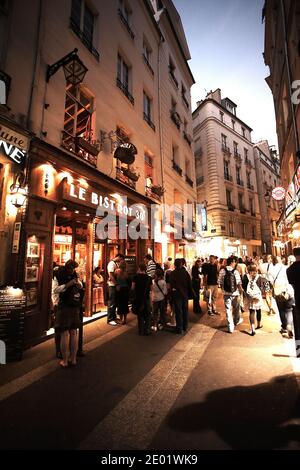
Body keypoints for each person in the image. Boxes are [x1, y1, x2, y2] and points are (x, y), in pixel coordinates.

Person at [52, 260, 83, 367]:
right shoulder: (59, 274)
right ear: (67, 268)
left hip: (67, 305)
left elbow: (55, 290)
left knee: (67, 333)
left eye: (73, 269)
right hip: (70, 305)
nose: (72, 271)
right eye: (71, 268)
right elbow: (56, 290)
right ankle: (72, 359)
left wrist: (74, 284)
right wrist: (68, 285)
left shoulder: (64, 274)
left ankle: (66, 360)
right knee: (72, 332)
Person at [242, 264, 270, 336]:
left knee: (251, 312)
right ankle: (259, 324)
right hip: (257, 296)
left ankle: (252, 329)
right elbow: (266, 287)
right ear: (256, 270)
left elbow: (243, 287)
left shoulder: (245, 277)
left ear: (248, 270)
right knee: (258, 310)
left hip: (249, 297)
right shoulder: (260, 277)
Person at [218, 256, 243, 333]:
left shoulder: (222, 271)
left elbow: (219, 282)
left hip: (226, 293)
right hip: (235, 293)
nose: (235, 263)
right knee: (236, 309)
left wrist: (223, 289)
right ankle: (236, 321)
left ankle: (230, 327)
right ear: (232, 262)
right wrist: (241, 290)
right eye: (235, 262)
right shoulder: (235, 271)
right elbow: (238, 283)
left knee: (228, 310)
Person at [169, 258, 193, 334]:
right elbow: (190, 283)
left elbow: (171, 285)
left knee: (178, 311)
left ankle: (179, 328)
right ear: (181, 264)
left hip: (177, 295)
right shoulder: (185, 273)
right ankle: (185, 326)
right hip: (185, 294)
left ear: (175, 265)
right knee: (185, 310)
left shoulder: (172, 273)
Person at [131, 263, 152, 335]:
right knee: (148, 314)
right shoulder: (149, 278)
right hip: (146, 298)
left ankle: (141, 330)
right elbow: (151, 289)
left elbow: (133, 288)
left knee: (140, 314)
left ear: (139, 268)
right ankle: (147, 330)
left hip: (138, 298)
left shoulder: (135, 277)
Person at [287, 247, 300, 352]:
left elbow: (292, 283)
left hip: (298, 298)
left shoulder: (289, 269)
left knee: (298, 325)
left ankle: (299, 349)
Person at [107, 253, 124, 325]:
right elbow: (111, 275)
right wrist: (116, 284)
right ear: (118, 257)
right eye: (121, 259)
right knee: (111, 302)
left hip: (114, 285)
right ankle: (110, 319)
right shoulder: (111, 263)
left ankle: (113, 317)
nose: (121, 260)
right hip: (112, 285)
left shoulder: (116, 264)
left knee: (114, 302)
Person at [115, 260, 130, 325]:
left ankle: (121, 319)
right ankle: (125, 319)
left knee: (120, 304)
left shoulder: (116, 271)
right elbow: (128, 280)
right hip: (125, 289)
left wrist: (116, 285)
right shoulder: (126, 272)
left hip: (119, 289)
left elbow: (113, 278)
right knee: (125, 304)